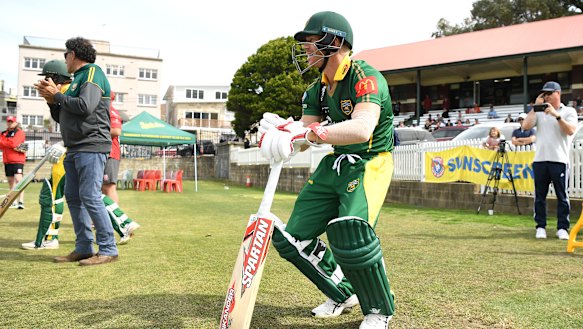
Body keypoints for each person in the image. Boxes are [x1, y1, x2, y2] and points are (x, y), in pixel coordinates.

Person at [259, 11, 395, 329]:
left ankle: (378, 309)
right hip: (334, 164)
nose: (306, 49)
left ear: (334, 42)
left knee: (352, 234)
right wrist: (282, 134)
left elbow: (362, 129)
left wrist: (307, 134)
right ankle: (343, 294)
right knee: (291, 239)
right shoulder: (316, 89)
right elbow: (304, 136)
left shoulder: (365, 76)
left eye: (311, 42)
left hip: (369, 162)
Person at [35, 37, 118, 265]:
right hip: (75, 147)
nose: (64, 60)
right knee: (73, 197)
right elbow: (62, 117)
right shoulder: (77, 79)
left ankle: (108, 249)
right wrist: (52, 101)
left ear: (73, 54)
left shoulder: (93, 73)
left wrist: (59, 96)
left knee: (90, 196)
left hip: (91, 145)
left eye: (65, 55)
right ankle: (84, 247)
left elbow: (85, 106)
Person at [522, 81, 578, 240]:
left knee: (562, 196)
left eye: (549, 93)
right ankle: (540, 227)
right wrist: (535, 107)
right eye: (544, 94)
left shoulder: (569, 111)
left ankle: (562, 228)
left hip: (559, 160)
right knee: (540, 196)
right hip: (540, 160)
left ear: (558, 93)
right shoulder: (538, 112)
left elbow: (570, 130)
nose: (546, 96)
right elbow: (526, 126)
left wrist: (556, 115)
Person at [103, 92, 140, 244]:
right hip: (104, 153)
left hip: (110, 154)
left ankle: (119, 221)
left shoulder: (110, 110)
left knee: (108, 188)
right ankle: (111, 220)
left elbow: (116, 131)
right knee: (100, 189)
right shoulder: (103, 110)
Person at [0, 115, 26, 209]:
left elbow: (14, 143)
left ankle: (21, 201)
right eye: (8, 121)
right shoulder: (3, 133)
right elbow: (2, 145)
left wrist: (6, 142)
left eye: (12, 121)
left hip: (18, 160)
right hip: (7, 160)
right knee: (11, 182)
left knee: (19, 180)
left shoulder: (19, 132)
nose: (10, 123)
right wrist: (10, 143)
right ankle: (13, 201)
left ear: (15, 122)